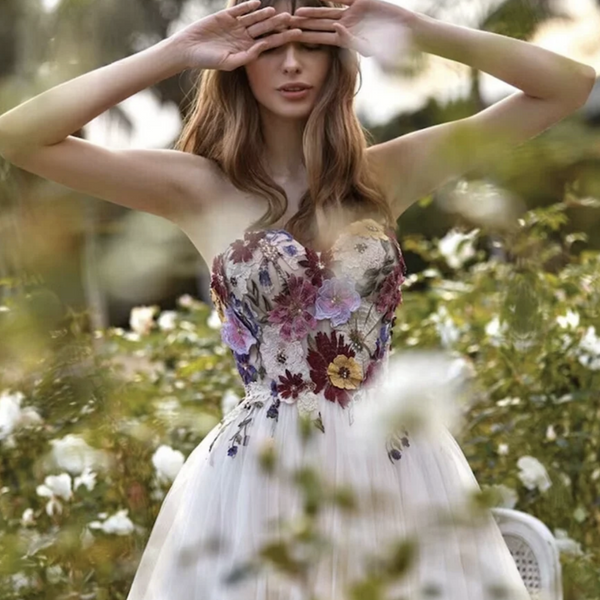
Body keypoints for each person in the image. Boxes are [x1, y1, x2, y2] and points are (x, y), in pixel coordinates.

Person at [0, 0, 595, 597]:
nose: (292, 64)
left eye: (310, 45)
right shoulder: (197, 189)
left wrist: (413, 30)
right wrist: (176, 53)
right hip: (259, 478)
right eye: (270, 48)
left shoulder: (385, 177)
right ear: (239, 64)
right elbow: (18, 137)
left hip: (396, 466)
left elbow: (567, 87)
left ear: (336, 60)